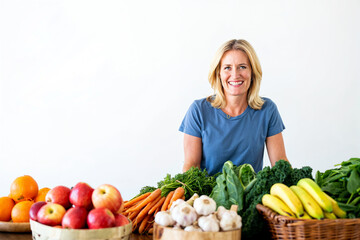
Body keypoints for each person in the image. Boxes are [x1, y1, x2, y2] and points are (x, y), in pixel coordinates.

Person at [179, 39, 288, 175]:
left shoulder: (267, 110)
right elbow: (191, 166)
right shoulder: (198, 111)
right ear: (218, 73)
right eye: (227, 68)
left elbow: (280, 164)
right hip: (207, 196)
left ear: (252, 72)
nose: (235, 75)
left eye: (242, 66)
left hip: (251, 195)